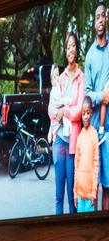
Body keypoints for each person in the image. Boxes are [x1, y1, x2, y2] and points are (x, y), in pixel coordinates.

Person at [49, 32, 85, 215]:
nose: (70, 49)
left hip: (72, 143)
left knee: (72, 195)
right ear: (65, 50)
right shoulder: (61, 78)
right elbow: (52, 107)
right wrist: (56, 113)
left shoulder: (81, 77)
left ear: (77, 49)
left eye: (73, 46)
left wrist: (65, 112)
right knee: (58, 195)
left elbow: (79, 111)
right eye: (68, 46)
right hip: (59, 141)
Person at [85, 2, 109, 209]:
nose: (100, 19)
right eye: (97, 17)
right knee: (93, 188)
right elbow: (87, 94)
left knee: (108, 187)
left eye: (103, 15)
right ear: (94, 23)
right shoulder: (90, 55)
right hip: (94, 129)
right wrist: (103, 96)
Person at [75, 97, 100, 213]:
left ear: (91, 113)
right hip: (80, 194)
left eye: (88, 113)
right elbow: (76, 166)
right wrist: (75, 193)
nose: (85, 116)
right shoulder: (79, 137)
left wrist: (94, 192)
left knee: (90, 223)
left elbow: (96, 166)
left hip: (90, 195)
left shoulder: (94, 134)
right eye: (83, 113)